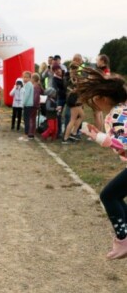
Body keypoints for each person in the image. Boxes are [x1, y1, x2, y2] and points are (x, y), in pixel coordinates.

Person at [77, 68, 127, 260]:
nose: (93, 100)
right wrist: (99, 134)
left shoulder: (116, 114)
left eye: (96, 96)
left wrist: (98, 137)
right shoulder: (120, 110)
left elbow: (123, 143)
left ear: (105, 98)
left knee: (109, 195)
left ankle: (123, 239)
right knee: (115, 195)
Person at [62, 64, 84, 144]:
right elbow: (72, 89)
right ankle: (66, 138)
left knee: (82, 116)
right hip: (73, 100)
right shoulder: (70, 79)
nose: (74, 71)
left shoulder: (74, 78)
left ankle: (73, 133)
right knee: (72, 119)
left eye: (75, 69)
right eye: (73, 69)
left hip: (75, 100)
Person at [52, 64, 67, 139]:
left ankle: (68, 131)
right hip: (60, 98)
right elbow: (56, 89)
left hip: (68, 98)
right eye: (55, 71)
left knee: (68, 114)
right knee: (58, 115)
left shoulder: (66, 74)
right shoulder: (54, 79)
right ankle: (59, 132)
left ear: (60, 69)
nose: (57, 71)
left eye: (58, 69)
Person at [20, 71, 35, 141]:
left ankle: (26, 135)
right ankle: (27, 134)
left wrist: (23, 103)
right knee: (26, 120)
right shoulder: (27, 84)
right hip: (28, 104)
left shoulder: (28, 84)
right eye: (24, 77)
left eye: (26, 77)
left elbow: (26, 95)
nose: (25, 79)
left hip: (27, 104)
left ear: (30, 78)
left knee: (26, 120)